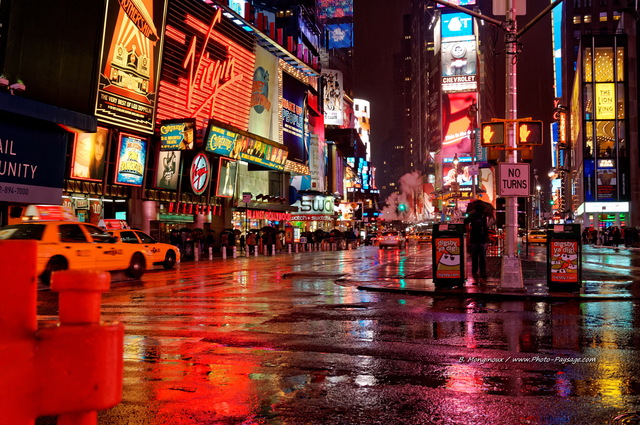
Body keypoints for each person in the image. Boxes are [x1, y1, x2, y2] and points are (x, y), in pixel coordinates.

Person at [464, 203, 490, 284]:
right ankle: (483, 272)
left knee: (474, 256)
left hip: (474, 238)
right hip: (482, 238)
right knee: (482, 257)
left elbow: (465, 222)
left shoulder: (472, 215)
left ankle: (474, 271)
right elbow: (487, 227)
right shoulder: (485, 215)